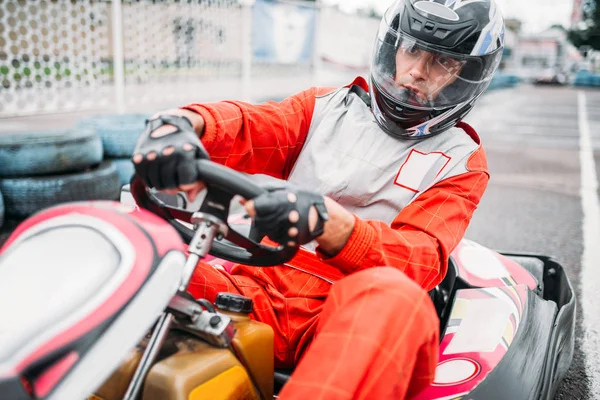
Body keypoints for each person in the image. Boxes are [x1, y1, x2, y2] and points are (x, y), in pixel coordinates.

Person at [132, 0, 505, 398]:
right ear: (392, 45)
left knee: (396, 297)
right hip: (253, 290)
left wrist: (331, 225)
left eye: (442, 61)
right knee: (134, 250)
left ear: (468, 74)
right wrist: (187, 125)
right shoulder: (325, 109)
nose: (415, 71)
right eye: (412, 50)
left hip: (352, 311)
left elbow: (421, 257)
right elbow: (251, 128)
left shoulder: (461, 162)